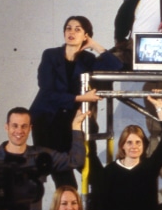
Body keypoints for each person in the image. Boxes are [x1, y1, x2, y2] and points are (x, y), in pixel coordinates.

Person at [29, 15, 123, 189]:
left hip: (75, 125)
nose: (71, 32)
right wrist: (80, 98)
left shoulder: (88, 60)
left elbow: (117, 67)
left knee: (98, 178)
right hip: (48, 124)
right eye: (68, 28)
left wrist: (95, 45)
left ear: (85, 35)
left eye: (77, 29)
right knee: (65, 182)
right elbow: (47, 92)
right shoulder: (50, 55)